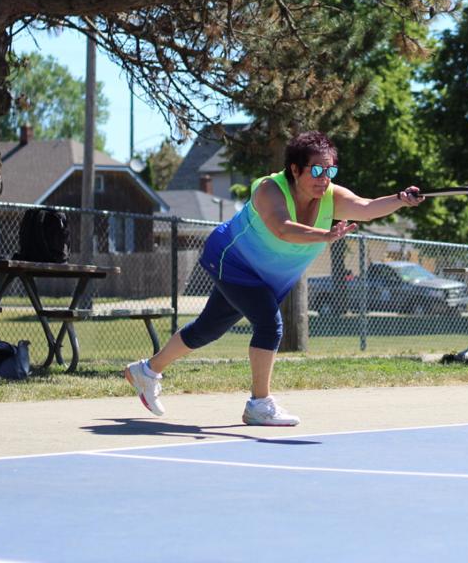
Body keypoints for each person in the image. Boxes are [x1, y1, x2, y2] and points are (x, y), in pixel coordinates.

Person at [125, 131, 426, 426]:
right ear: (295, 169)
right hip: (231, 260)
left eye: (330, 170)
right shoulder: (269, 189)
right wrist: (326, 234)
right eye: (317, 170)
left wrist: (400, 199)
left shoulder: (331, 196)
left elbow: (366, 208)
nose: (325, 178)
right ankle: (259, 404)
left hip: (265, 275)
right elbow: (282, 228)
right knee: (270, 324)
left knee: (208, 329)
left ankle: (146, 371)